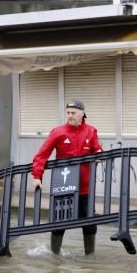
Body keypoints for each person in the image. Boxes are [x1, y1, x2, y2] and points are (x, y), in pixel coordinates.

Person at [30, 99, 103, 255]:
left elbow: (98, 150)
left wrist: (99, 156)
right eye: (68, 113)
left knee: (90, 224)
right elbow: (41, 155)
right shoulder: (58, 132)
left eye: (73, 113)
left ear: (82, 114)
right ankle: (54, 256)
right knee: (58, 224)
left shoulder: (91, 131)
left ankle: (90, 258)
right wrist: (37, 177)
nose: (70, 116)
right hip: (63, 187)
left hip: (85, 188)